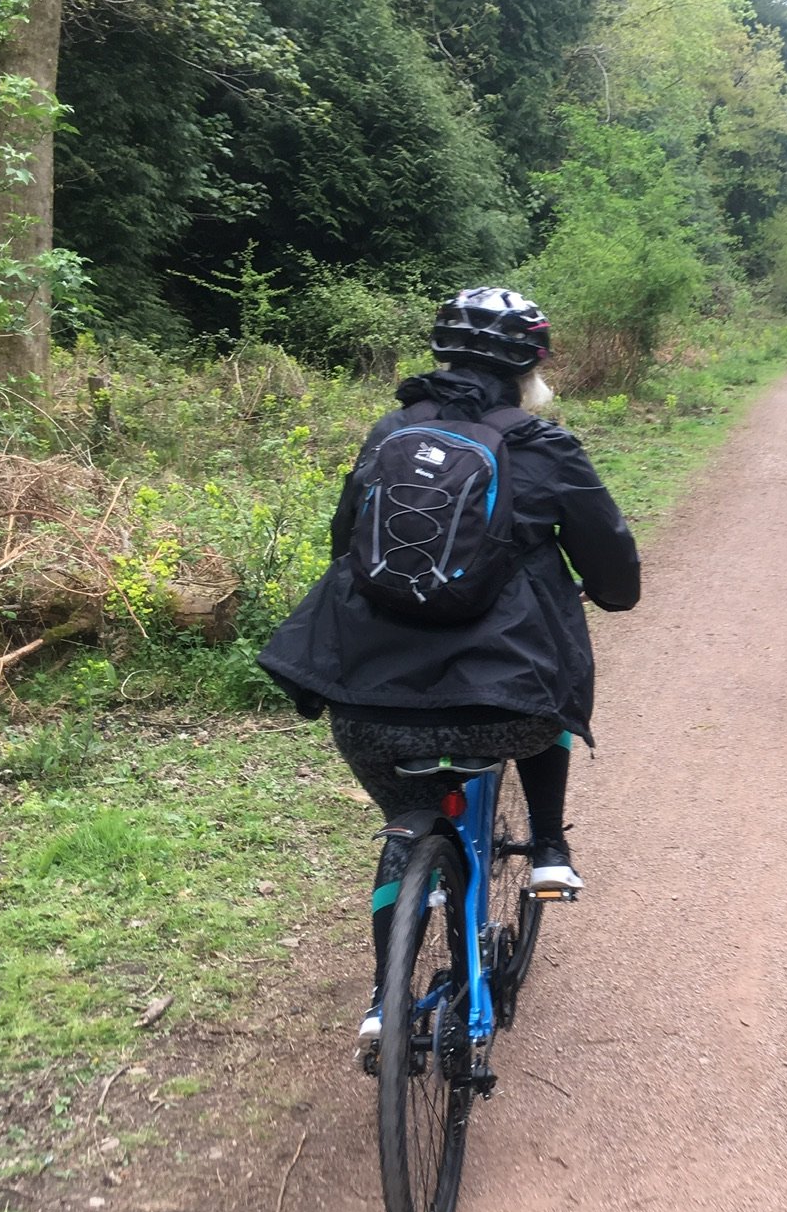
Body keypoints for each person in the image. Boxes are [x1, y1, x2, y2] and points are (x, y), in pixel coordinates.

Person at [258, 287, 641, 1042]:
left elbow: (345, 543)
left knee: (410, 818)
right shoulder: (544, 446)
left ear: (438, 354)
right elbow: (617, 584)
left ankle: (383, 1005)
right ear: (532, 362)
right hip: (509, 711)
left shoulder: (389, 433)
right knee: (547, 696)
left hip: (365, 704)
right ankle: (548, 847)